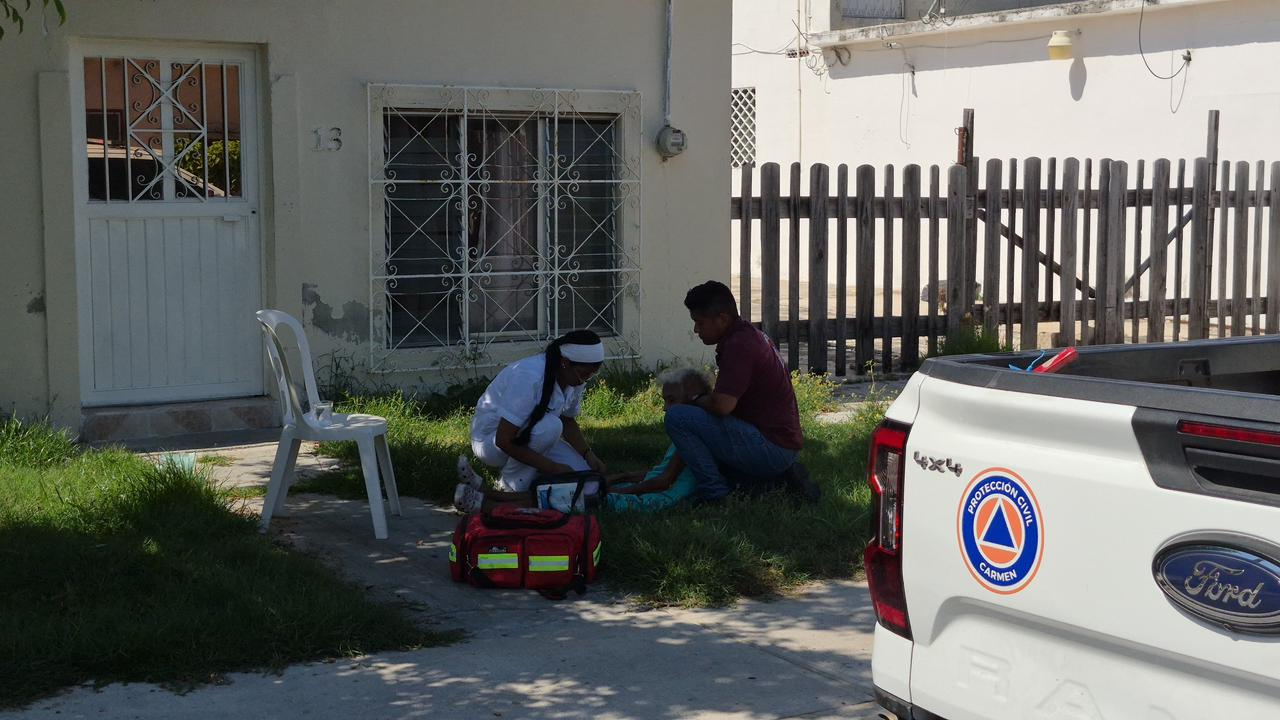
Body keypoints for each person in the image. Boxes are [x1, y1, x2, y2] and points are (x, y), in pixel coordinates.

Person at [663, 280, 819, 503]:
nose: (696, 330)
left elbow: (722, 406)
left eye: (699, 322)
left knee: (677, 417)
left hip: (773, 449)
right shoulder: (746, 335)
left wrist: (694, 399)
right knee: (693, 418)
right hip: (780, 445)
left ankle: (714, 494)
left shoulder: (739, 345)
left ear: (722, 318)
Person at [454, 330, 607, 513]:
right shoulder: (529, 376)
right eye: (583, 374)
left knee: (585, 479)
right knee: (551, 427)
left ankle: (483, 487)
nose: (584, 380)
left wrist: (588, 454)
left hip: (530, 434)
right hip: (490, 442)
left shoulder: (574, 378)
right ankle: (509, 488)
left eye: (590, 375)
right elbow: (504, 439)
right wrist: (553, 467)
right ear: (565, 362)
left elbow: (568, 420)